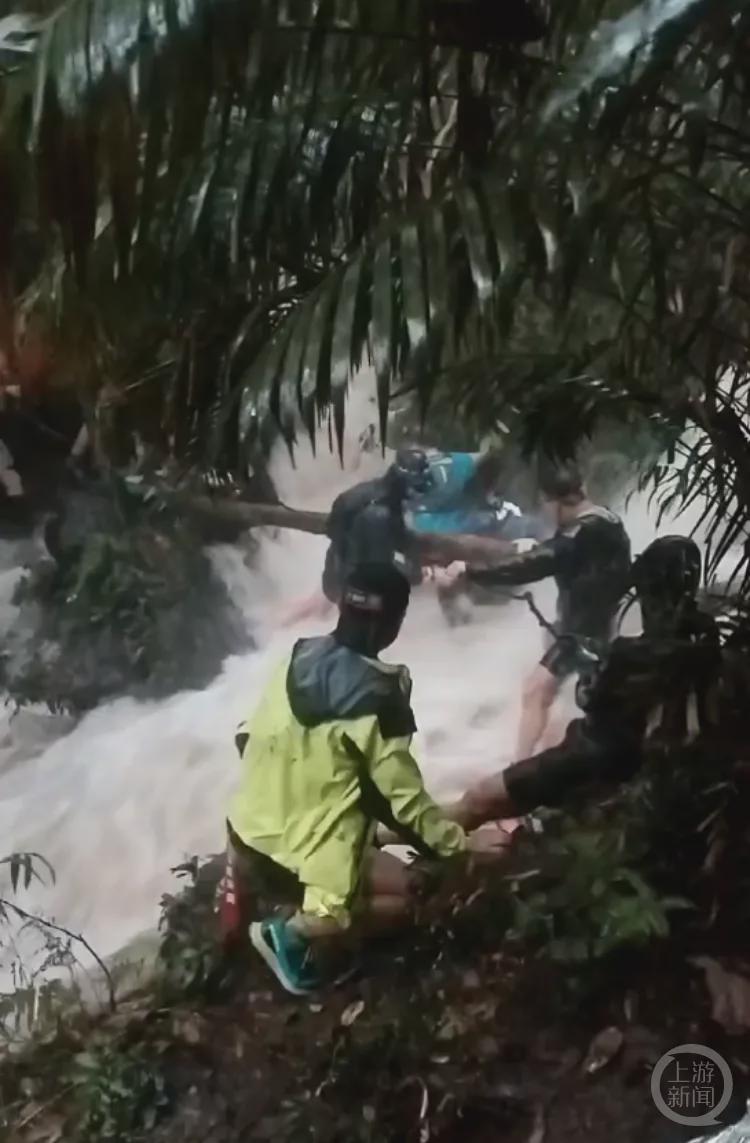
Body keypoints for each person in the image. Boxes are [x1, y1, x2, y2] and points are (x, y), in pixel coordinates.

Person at [223, 562, 510, 996]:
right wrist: (461, 851)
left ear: (341, 606)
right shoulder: (378, 697)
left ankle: (264, 888)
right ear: (395, 622)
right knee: (414, 900)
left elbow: (246, 737)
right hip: (300, 856)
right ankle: (292, 934)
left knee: (372, 849)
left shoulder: (295, 658)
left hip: (246, 832)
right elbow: (403, 804)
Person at [451, 536, 721, 828]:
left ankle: (422, 840)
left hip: (600, 761)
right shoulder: (708, 638)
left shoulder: (632, 654)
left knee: (478, 799)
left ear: (645, 587)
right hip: (661, 765)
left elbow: (591, 698)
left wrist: (593, 666)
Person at [445, 464, 631, 758]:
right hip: (597, 626)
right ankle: (557, 750)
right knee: (574, 695)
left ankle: (521, 768)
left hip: (583, 634)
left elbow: (533, 565)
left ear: (554, 501)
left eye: (544, 504)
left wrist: (470, 571)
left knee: (536, 690)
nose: (544, 513)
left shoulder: (579, 533)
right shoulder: (607, 521)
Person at [321, 448, 433, 604]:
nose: (420, 493)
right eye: (418, 487)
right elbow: (383, 568)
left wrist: (415, 553)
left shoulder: (379, 491)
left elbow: (399, 537)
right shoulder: (378, 515)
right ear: (405, 482)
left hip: (338, 571)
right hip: (349, 589)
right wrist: (424, 574)